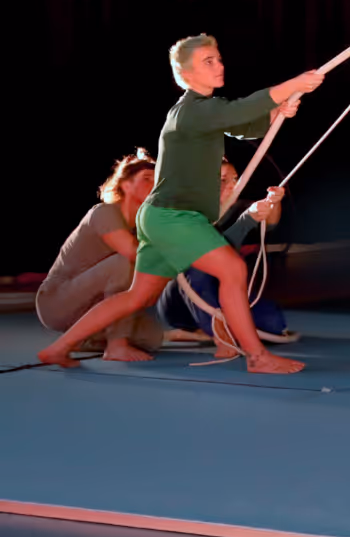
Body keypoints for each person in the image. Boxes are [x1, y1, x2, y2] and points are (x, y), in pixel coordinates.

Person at [36, 35, 318, 376]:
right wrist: (292, 84)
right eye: (207, 62)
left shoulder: (203, 112)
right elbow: (239, 111)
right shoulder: (191, 111)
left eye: (218, 58)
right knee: (233, 270)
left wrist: (277, 110)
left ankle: (58, 348)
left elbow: (244, 126)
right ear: (183, 75)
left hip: (161, 217)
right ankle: (257, 357)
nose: (219, 65)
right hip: (172, 217)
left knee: (137, 296)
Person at [35, 150, 169, 362]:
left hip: (91, 305)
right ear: (125, 185)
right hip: (57, 302)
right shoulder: (104, 212)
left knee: (152, 338)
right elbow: (134, 255)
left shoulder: (140, 229)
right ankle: (116, 345)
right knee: (128, 262)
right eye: (146, 179)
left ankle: (84, 337)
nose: (154, 185)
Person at [157, 162, 298, 347]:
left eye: (234, 179)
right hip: (185, 297)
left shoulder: (239, 207)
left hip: (224, 292)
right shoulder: (186, 212)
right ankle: (213, 332)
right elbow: (205, 254)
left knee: (273, 324)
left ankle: (209, 331)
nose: (232, 185)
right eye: (223, 180)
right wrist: (245, 222)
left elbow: (270, 221)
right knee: (198, 270)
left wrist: (273, 201)